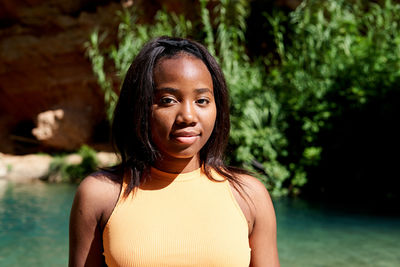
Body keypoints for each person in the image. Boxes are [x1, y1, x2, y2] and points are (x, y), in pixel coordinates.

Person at [69, 36, 279, 267]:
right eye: (168, 100)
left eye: (202, 100)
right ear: (139, 106)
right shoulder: (101, 195)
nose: (188, 116)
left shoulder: (249, 196)